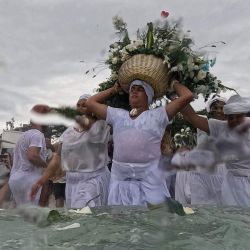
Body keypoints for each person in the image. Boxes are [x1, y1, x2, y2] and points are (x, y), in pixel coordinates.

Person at [86, 79, 193, 206]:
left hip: (151, 186)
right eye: (132, 89)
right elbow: (90, 103)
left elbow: (187, 96)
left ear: (149, 95)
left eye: (140, 89)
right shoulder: (118, 115)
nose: (135, 92)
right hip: (120, 186)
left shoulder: (158, 115)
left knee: (150, 224)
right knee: (121, 225)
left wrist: (173, 83)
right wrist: (114, 89)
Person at [31, 94, 111, 209]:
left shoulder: (101, 125)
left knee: (85, 215)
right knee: (77, 219)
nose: (80, 107)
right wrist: (41, 180)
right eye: (78, 105)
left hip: (93, 180)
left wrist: (114, 89)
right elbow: (57, 158)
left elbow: (104, 108)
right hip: (72, 182)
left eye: (85, 104)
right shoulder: (68, 133)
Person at [181, 94, 250, 207]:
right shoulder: (221, 126)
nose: (234, 120)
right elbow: (191, 116)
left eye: (238, 116)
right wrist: (181, 96)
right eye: (230, 117)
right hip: (230, 185)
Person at [8, 105, 50, 206]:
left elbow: (14, 159)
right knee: (33, 215)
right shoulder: (38, 135)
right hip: (29, 180)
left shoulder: (22, 136)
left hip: (16, 179)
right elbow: (32, 156)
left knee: (22, 214)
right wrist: (47, 166)